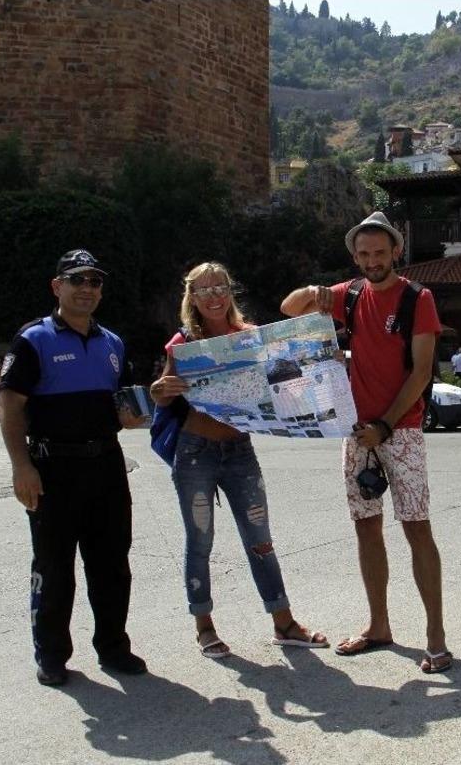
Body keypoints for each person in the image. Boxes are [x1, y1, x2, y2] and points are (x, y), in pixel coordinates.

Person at [280, 211, 452, 674]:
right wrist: (315, 292)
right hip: (355, 431)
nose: (373, 261)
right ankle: (379, 626)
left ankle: (436, 638)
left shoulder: (418, 298)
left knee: (417, 527)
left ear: (396, 251)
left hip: (402, 429)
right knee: (366, 526)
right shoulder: (350, 294)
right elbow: (288, 310)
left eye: (380, 252)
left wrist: (386, 425)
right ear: (355, 257)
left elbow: (421, 372)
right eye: (364, 254)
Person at [149, 262, 328, 659]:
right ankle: (205, 627)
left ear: (230, 291)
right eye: (204, 290)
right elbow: (163, 392)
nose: (213, 296)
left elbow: (283, 383)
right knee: (200, 541)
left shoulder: (250, 337)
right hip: (194, 451)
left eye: (220, 287)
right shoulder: (184, 342)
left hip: (239, 451)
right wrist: (160, 390)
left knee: (260, 540)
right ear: (192, 297)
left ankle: (284, 623)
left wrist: (321, 363)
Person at [0, 249, 149, 687]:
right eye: (77, 279)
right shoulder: (33, 339)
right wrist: (21, 466)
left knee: (112, 563)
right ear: (57, 286)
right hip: (52, 469)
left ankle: (113, 647)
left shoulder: (113, 343)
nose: (86, 288)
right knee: (54, 567)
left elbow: (124, 405)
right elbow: (10, 407)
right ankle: (51, 655)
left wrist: (138, 411)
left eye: (94, 281)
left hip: (106, 466)